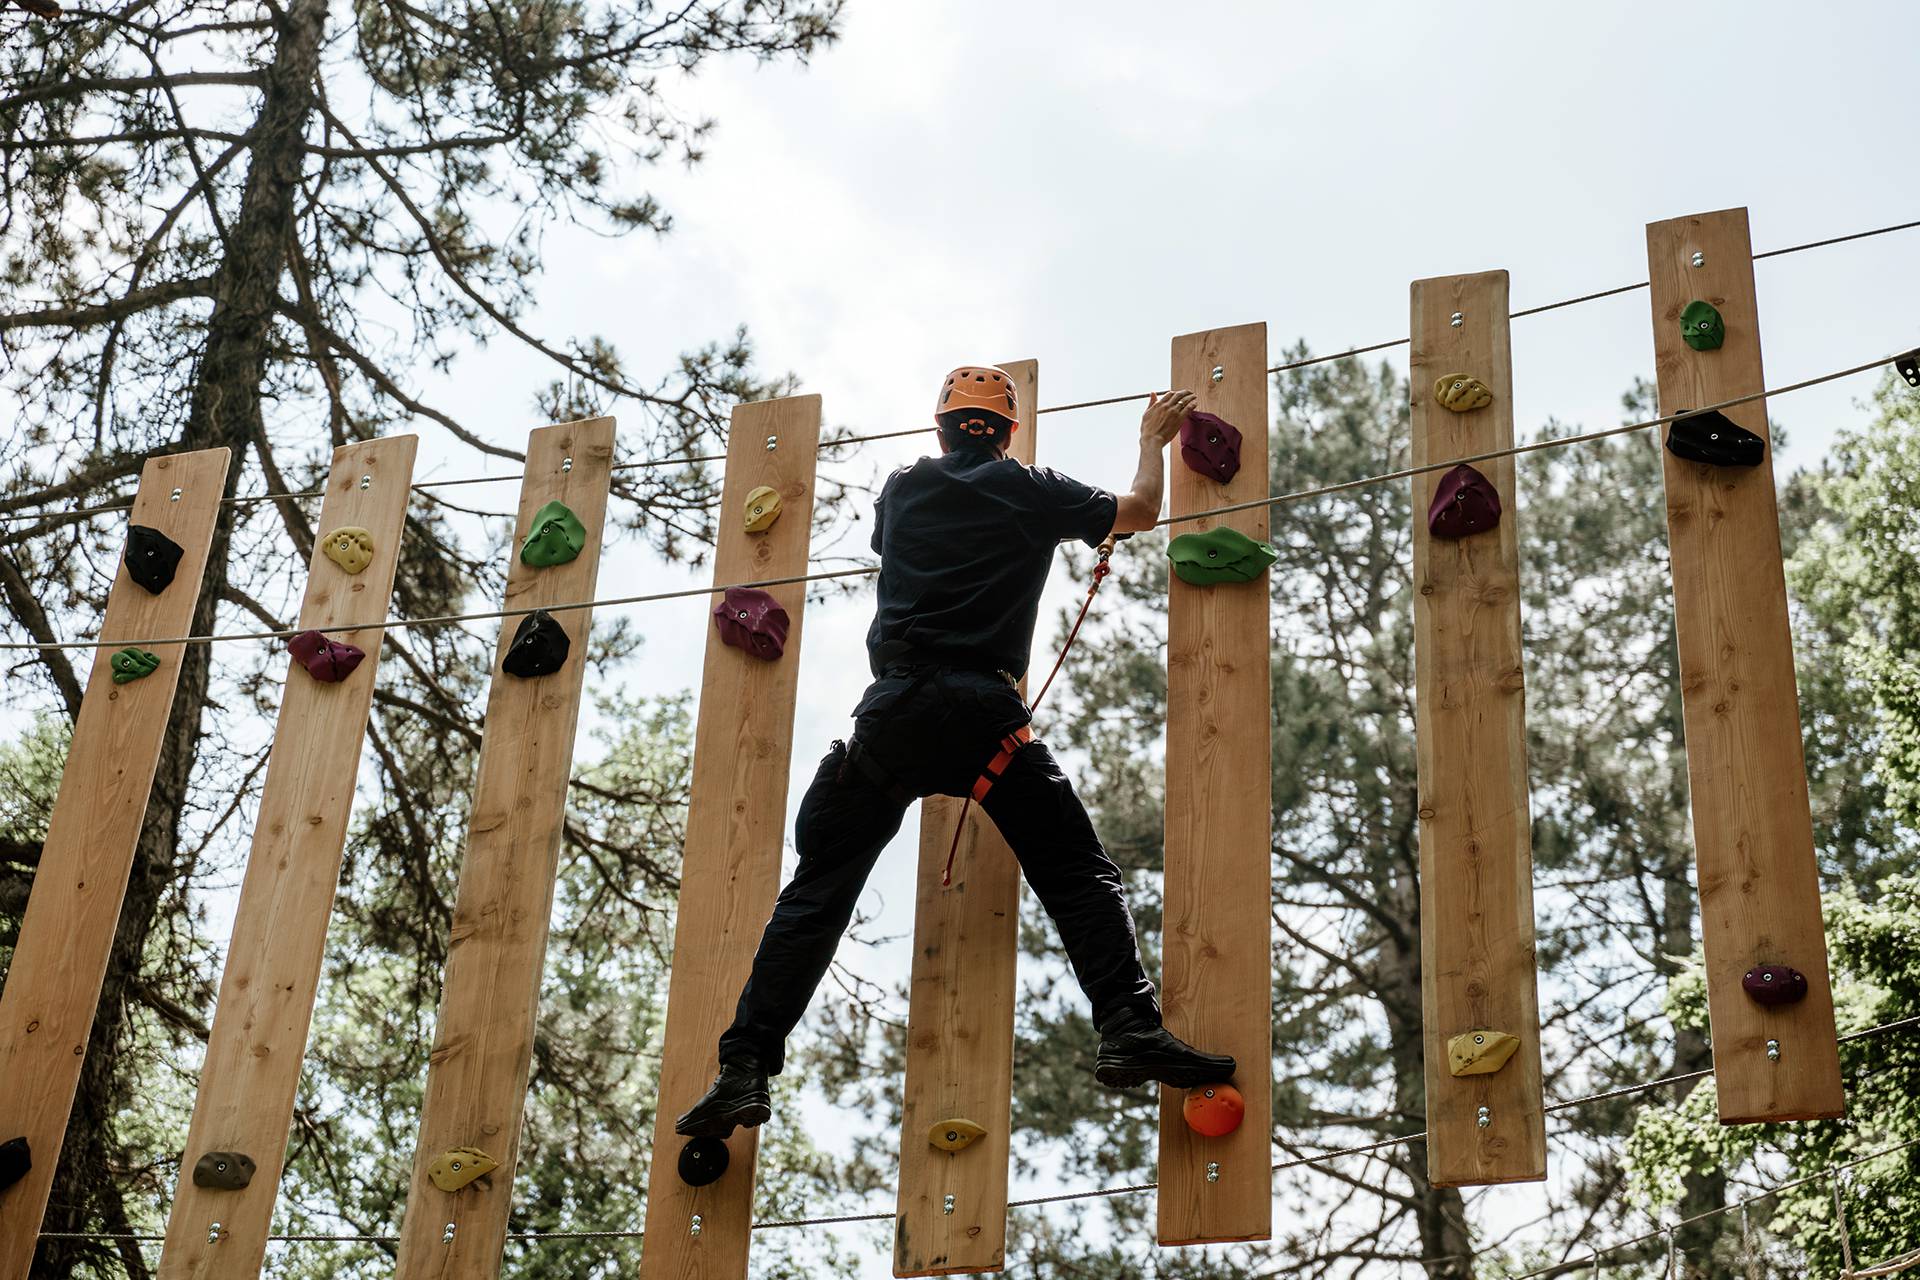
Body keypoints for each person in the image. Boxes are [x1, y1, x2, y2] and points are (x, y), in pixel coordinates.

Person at [675, 366, 1237, 1139]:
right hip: (983, 717)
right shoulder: (1034, 490)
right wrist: (1151, 440)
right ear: (1008, 431)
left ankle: (743, 1069)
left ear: (940, 429)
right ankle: (1127, 1027)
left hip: (893, 718)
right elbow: (1139, 508)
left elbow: (896, 540)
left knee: (816, 895)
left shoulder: (904, 489)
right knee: (1076, 873)